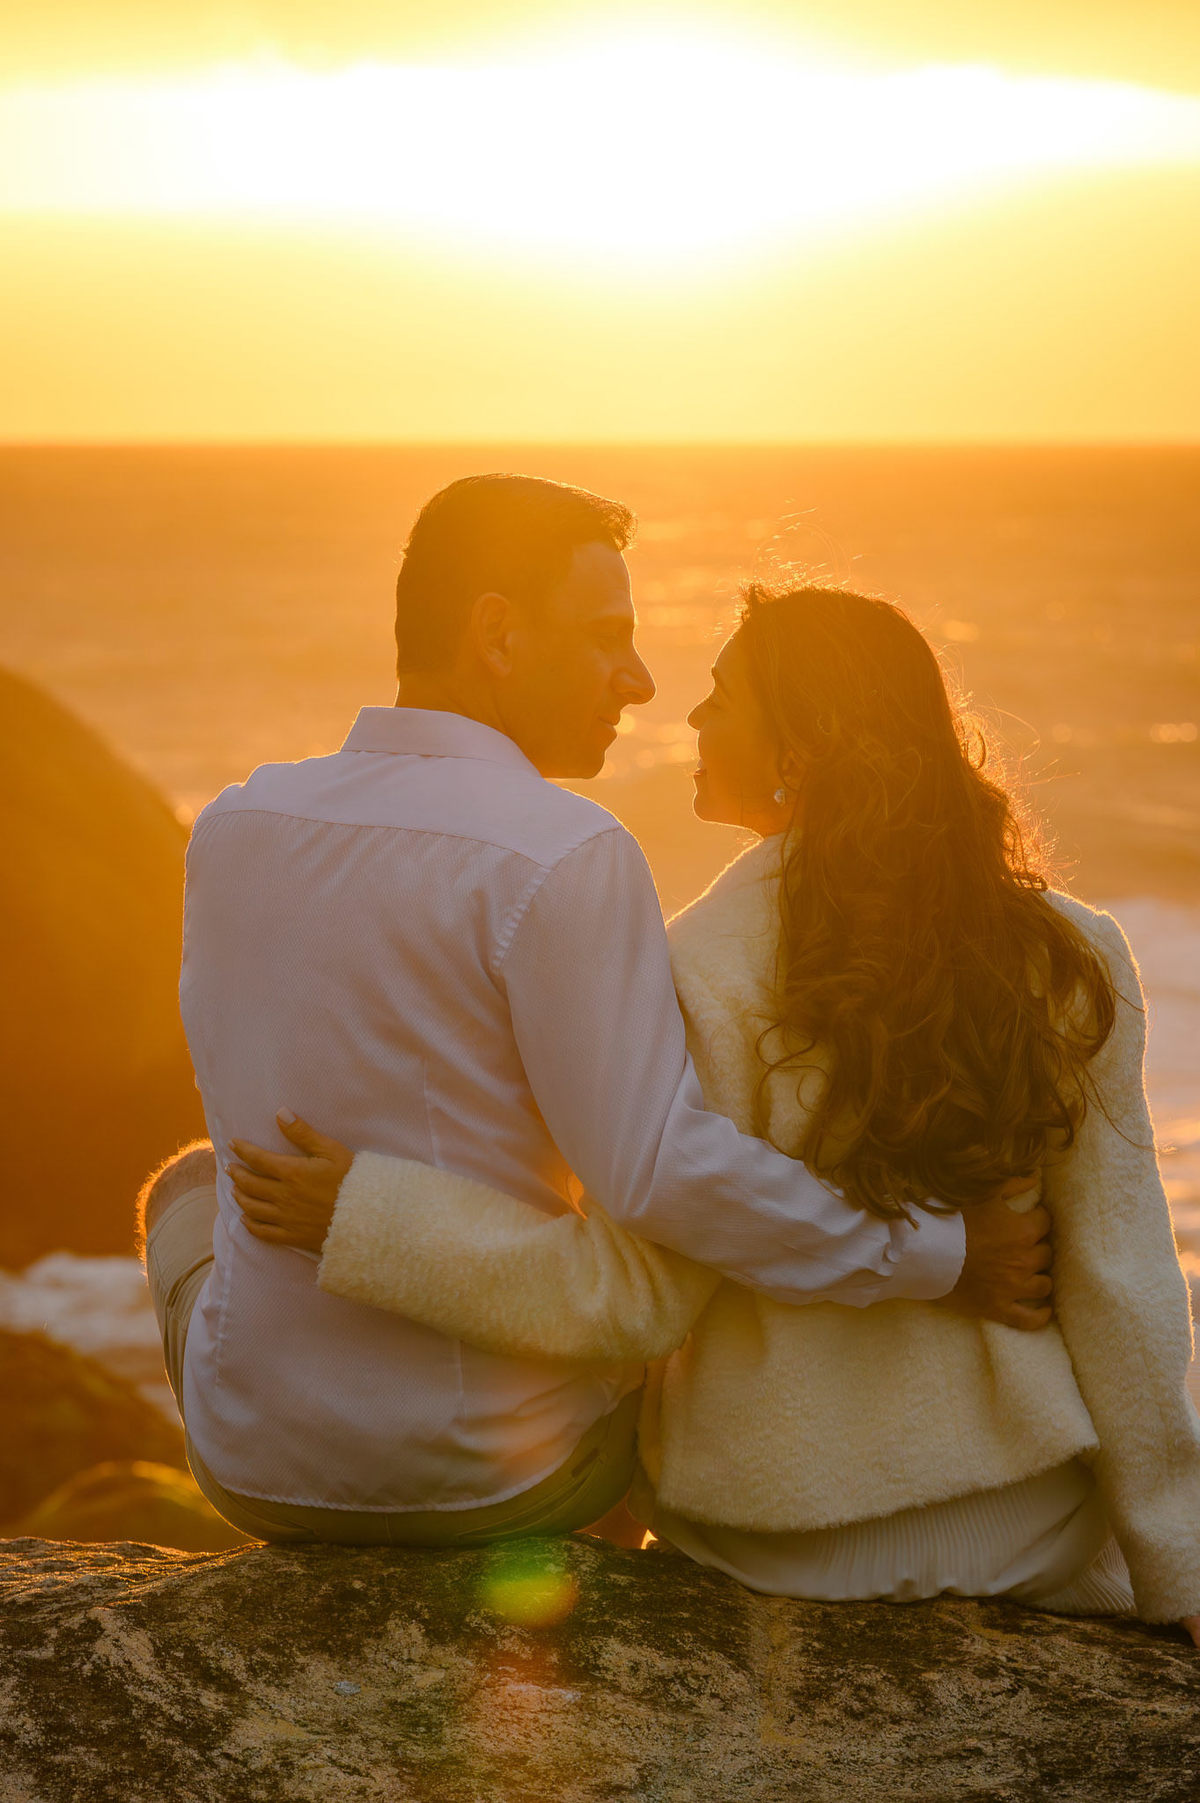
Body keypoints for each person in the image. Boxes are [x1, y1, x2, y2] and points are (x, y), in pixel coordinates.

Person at [229, 583, 1200, 1641]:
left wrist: (371, 1219)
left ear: (802, 748)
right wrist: (1178, 1573)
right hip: (1023, 1529)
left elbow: (633, 1302)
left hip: (769, 1541)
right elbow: (1124, 1281)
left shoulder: (690, 968)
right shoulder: (1070, 951)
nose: (688, 719)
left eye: (721, 699)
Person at [141, 476, 1048, 1549]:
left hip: (254, 1469)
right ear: (499, 634)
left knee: (191, 1185)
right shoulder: (563, 851)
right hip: (499, 1482)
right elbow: (662, 1173)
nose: (642, 680)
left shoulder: (232, 826)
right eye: (608, 637)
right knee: (643, 1296)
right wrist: (936, 1256)